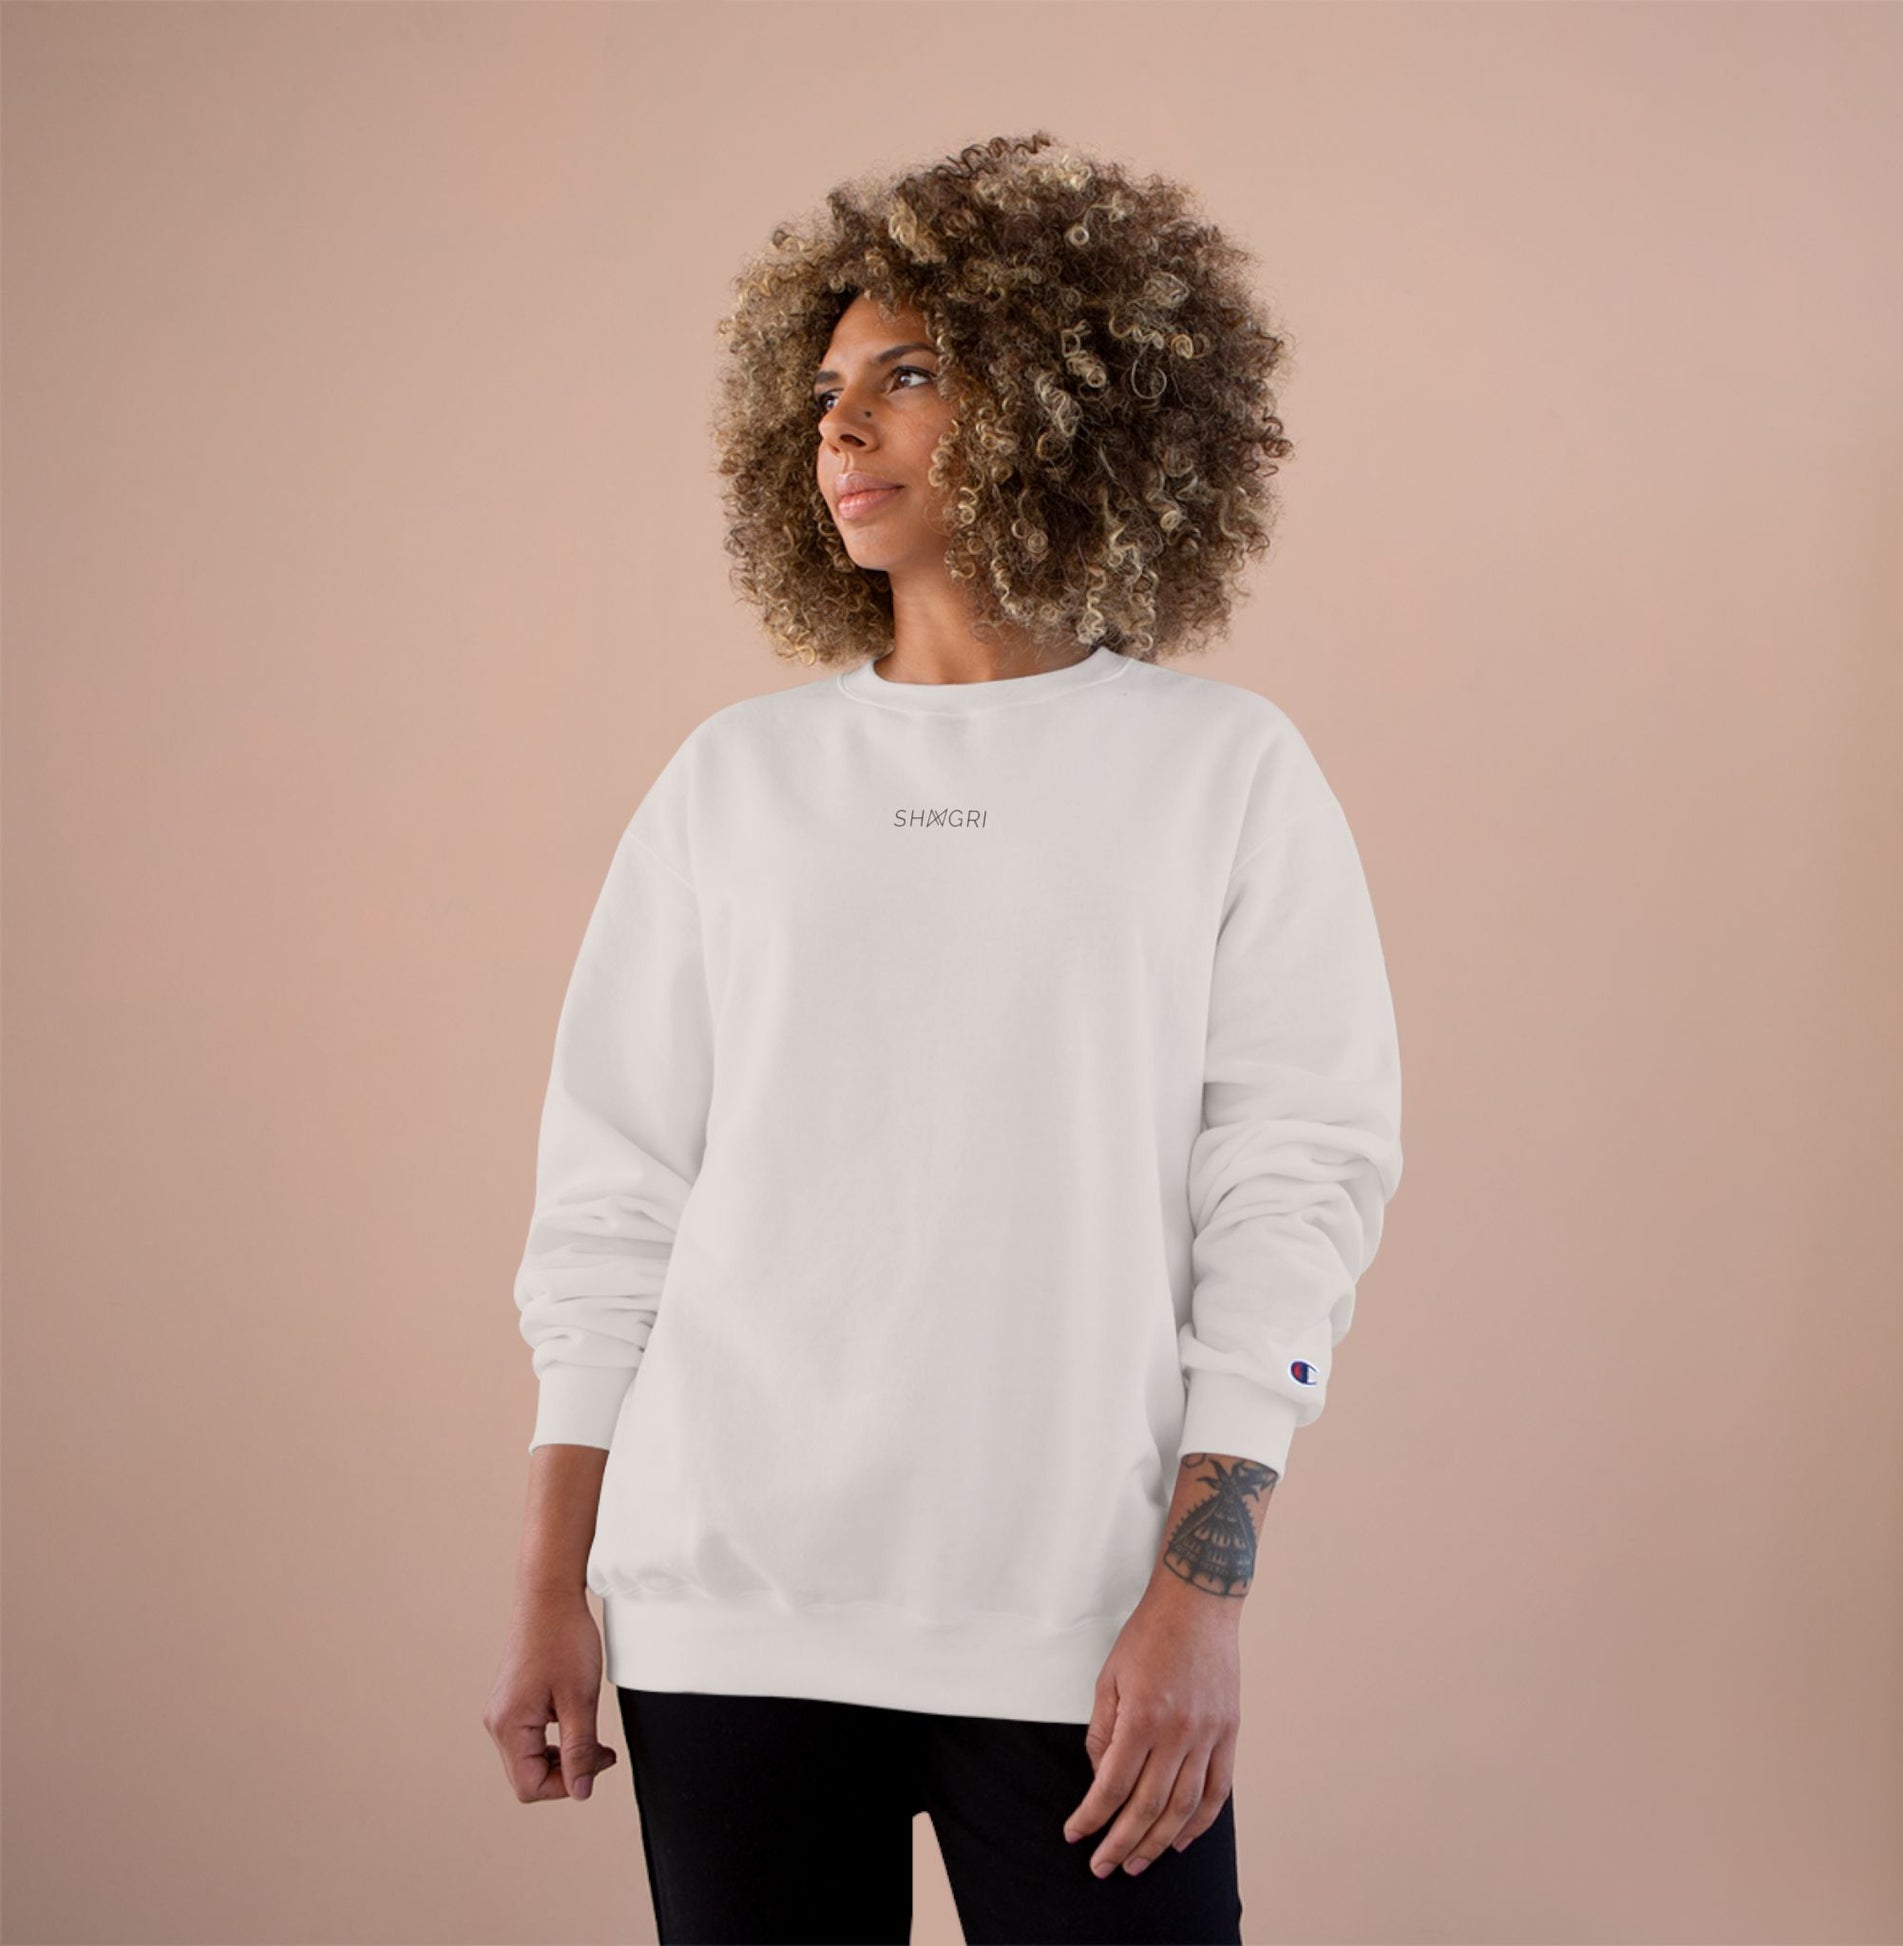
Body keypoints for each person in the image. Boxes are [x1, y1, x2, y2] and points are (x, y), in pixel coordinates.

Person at [483, 129, 1405, 1946]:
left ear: (1073, 399)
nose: (842, 426)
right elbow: (611, 1203)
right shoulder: (734, 781)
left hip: (1079, 1620)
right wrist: (551, 1581)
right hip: (724, 1608)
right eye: (825, 389)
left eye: (907, 374)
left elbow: (1295, 1188)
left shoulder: (1219, 769)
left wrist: (1203, 1593)